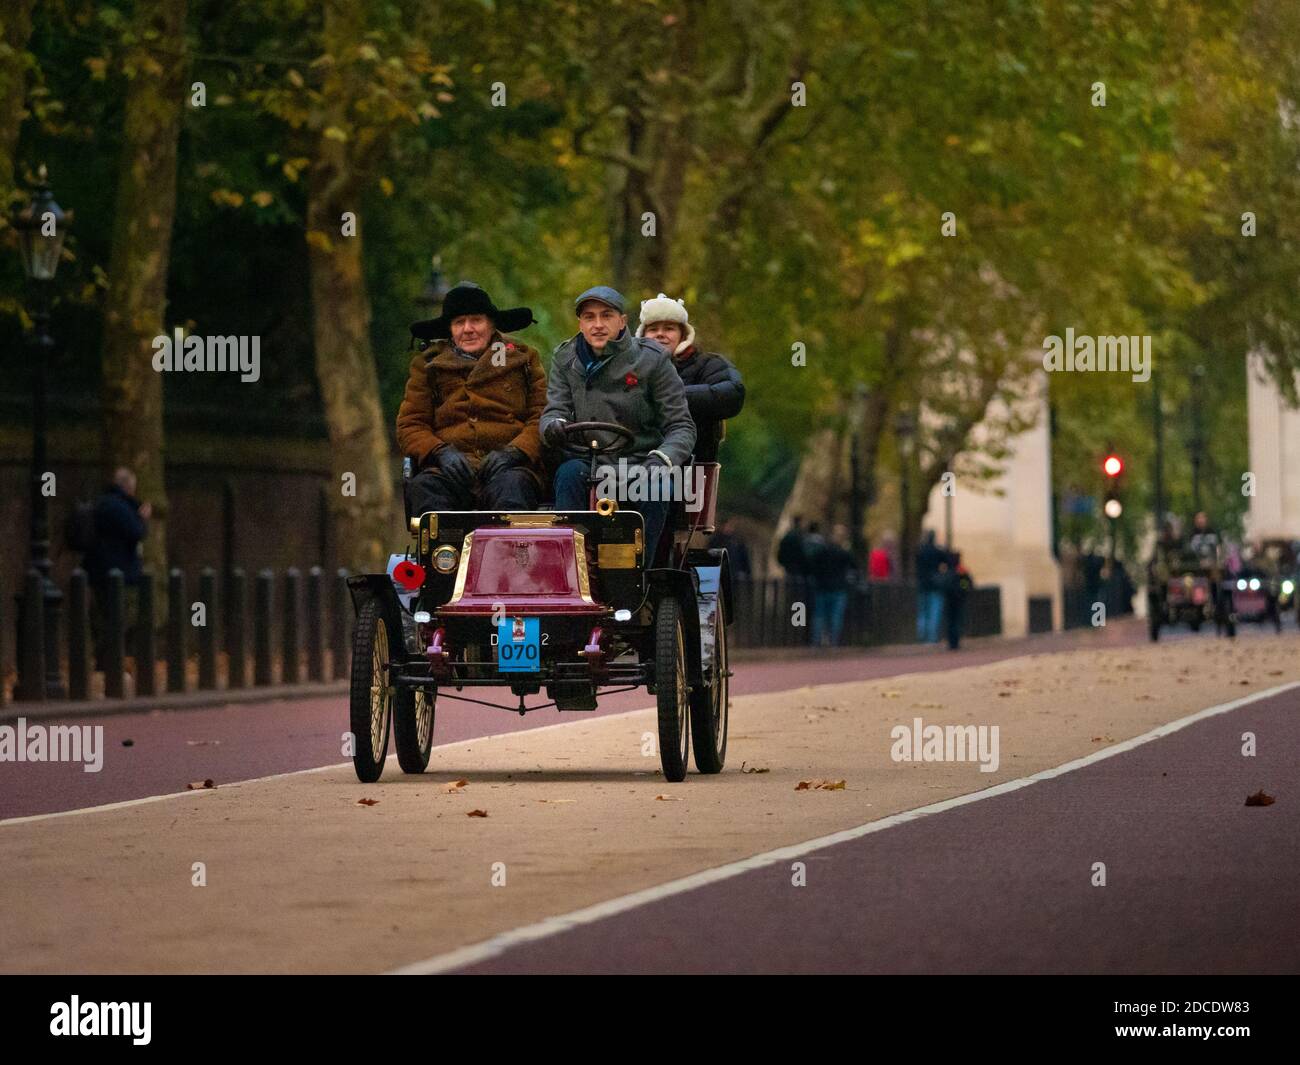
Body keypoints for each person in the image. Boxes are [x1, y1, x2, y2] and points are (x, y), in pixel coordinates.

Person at [542, 285, 695, 563]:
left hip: (639, 462)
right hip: (586, 461)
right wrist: (553, 425)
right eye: (589, 317)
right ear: (581, 323)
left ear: (622, 321)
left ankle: (637, 575)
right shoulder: (565, 359)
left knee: (657, 487)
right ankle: (572, 568)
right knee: (567, 475)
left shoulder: (652, 360)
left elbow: (681, 426)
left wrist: (661, 460)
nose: (598, 325)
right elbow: (554, 410)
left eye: (606, 316)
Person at [397, 281, 547, 513]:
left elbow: (542, 416)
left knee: (513, 491)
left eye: (476, 320)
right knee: (425, 489)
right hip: (448, 471)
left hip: (509, 470)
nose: (468, 329)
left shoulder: (524, 359)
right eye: (459, 322)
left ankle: (508, 550)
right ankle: (443, 551)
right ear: (450, 329)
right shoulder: (427, 365)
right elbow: (410, 424)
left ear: (491, 324)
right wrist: (440, 452)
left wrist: (515, 452)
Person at [636, 293, 745, 462]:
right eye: (653, 329)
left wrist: (669, 396)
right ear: (642, 336)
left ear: (683, 335)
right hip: (632, 464)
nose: (660, 334)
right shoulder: (626, 368)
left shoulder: (709, 364)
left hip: (691, 469)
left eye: (669, 328)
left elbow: (733, 395)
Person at [83, 467, 150, 668]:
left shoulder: (105, 502)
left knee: (108, 617)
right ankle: (107, 662)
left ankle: (107, 661)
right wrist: (142, 518)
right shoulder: (117, 506)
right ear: (128, 486)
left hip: (103, 569)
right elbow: (136, 531)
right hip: (115, 571)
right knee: (116, 618)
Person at [810, 523, 857, 647]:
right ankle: (833, 642)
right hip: (838, 588)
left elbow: (813, 566)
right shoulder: (844, 553)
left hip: (822, 587)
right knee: (835, 618)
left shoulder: (822, 551)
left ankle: (816, 642)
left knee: (819, 616)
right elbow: (854, 567)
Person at [915, 529, 948, 643]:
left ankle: (922, 634)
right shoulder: (937, 551)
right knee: (934, 611)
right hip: (935, 585)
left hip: (922, 584)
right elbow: (947, 559)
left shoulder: (920, 551)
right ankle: (932, 637)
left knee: (923, 611)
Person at [943, 552, 974, 650]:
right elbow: (967, 583)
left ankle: (953, 642)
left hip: (951, 598)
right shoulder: (960, 571)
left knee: (952, 621)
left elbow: (965, 583)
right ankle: (954, 642)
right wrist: (962, 590)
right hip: (958, 599)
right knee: (955, 621)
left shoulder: (949, 571)